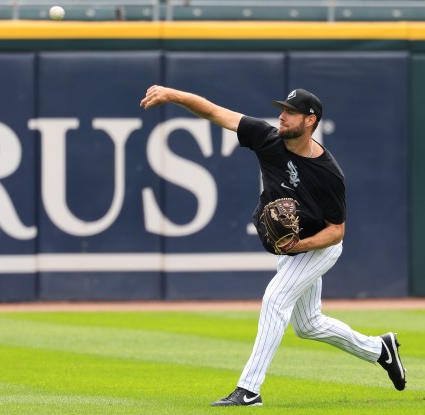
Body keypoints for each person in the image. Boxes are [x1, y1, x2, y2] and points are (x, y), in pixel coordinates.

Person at [140, 85, 406, 407]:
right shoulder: (267, 139)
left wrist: (299, 245)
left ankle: (249, 390)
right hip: (296, 248)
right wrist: (173, 95)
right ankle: (380, 349)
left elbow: (337, 231)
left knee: (275, 299)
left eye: (290, 112)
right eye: (282, 109)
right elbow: (215, 112)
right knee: (309, 325)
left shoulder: (329, 174)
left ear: (310, 121)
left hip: (319, 248)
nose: (282, 116)